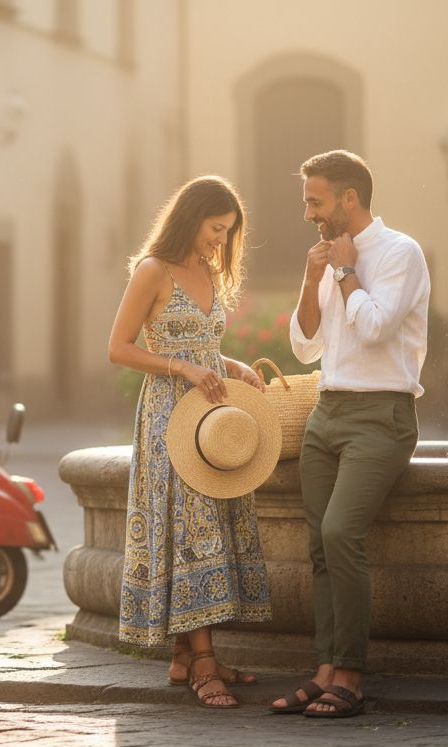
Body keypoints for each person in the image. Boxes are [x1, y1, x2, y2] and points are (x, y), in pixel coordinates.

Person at [269, 150, 430, 718]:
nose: (308, 212)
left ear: (349, 199)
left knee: (340, 532)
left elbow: (378, 327)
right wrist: (314, 275)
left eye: (315, 201)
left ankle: (352, 677)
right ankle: (324, 670)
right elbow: (304, 345)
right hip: (326, 414)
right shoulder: (327, 259)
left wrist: (344, 271)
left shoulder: (399, 253)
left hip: (380, 416)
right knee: (318, 547)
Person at [108, 175, 273, 709]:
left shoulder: (207, 270)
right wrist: (181, 367)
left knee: (209, 523)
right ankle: (203, 664)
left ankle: (187, 655)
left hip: (209, 412)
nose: (221, 242)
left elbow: (203, 344)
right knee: (186, 529)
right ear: (190, 218)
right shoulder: (152, 271)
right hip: (167, 418)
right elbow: (119, 348)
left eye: (228, 233)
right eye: (215, 229)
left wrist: (232, 365)